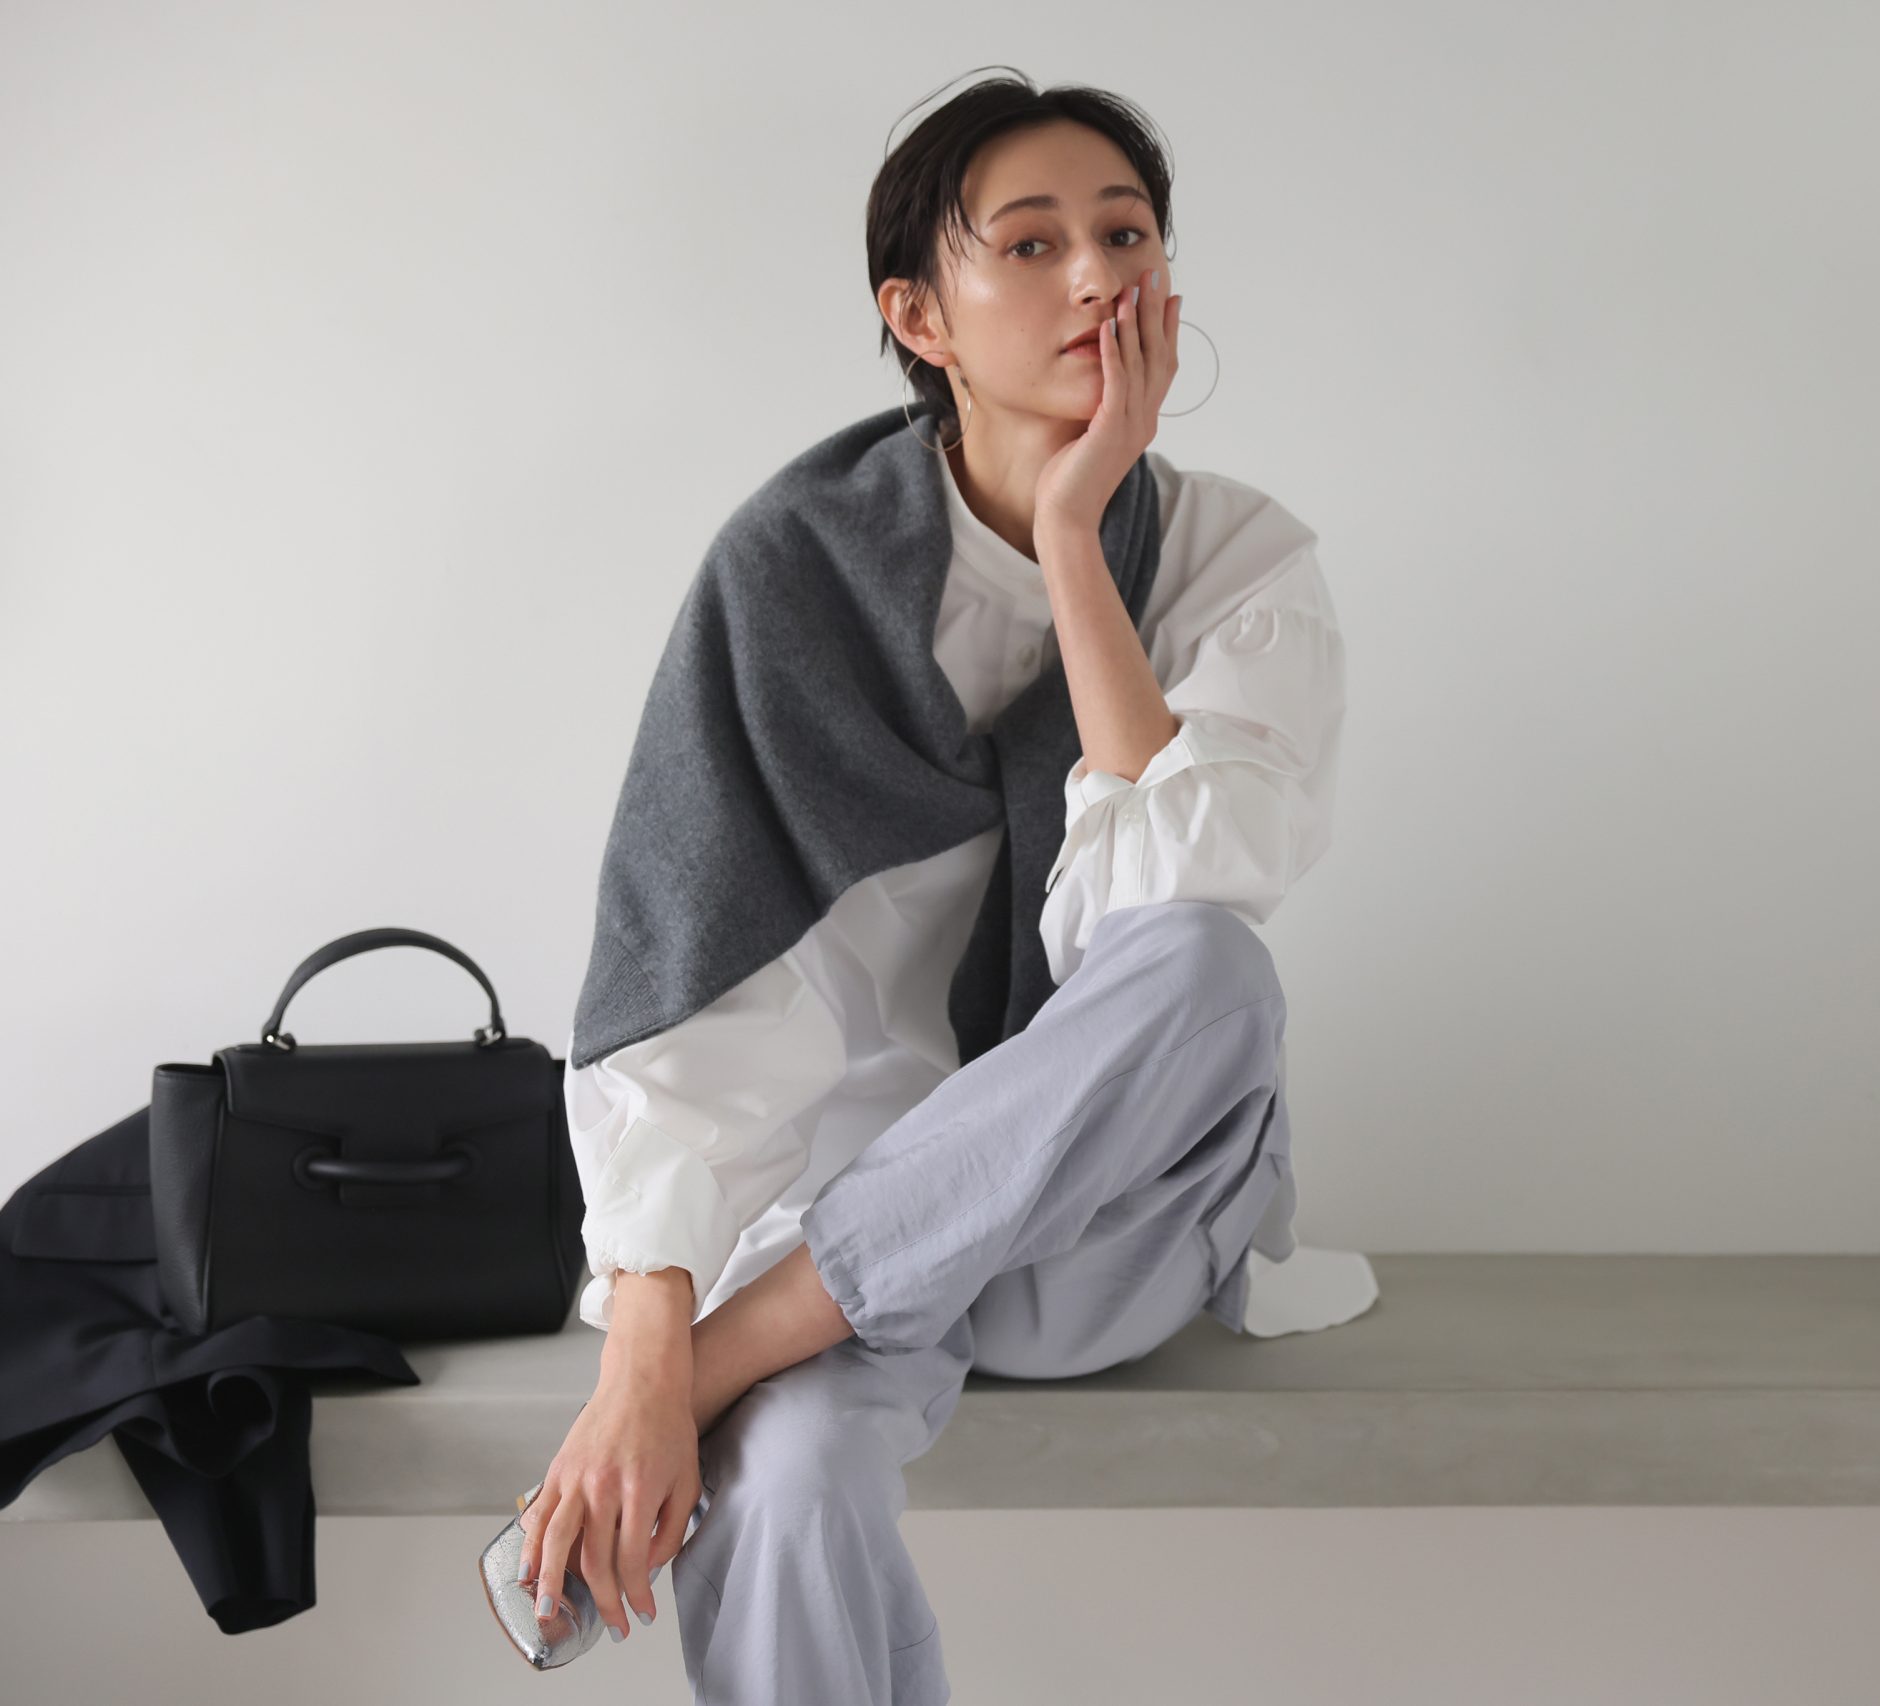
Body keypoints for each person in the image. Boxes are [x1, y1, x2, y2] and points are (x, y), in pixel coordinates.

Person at [503, 70, 1366, 1704]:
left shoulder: (1238, 564)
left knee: (1211, 970)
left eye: (1127, 235)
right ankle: (751, 1357)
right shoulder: (792, 571)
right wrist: (643, 1343)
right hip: (839, 1233)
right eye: (1031, 244)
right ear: (919, 316)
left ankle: (745, 1352)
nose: (1096, 277)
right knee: (783, 1485)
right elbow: (687, 977)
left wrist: (1077, 536)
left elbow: (1161, 917)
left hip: (1100, 1238)